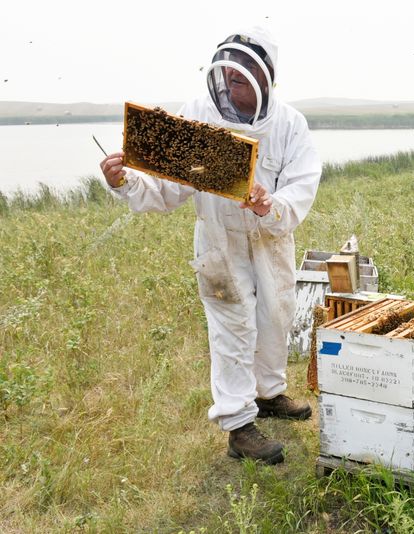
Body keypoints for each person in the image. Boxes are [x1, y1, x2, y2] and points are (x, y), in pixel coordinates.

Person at [99, 27, 321, 465]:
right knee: (232, 328)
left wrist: (268, 204)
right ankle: (238, 425)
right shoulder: (199, 113)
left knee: (276, 315)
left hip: (270, 239)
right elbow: (165, 190)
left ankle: (269, 394)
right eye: (227, 78)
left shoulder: (290, 124)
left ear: (265, 78)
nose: (231, 87)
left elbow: (302, 187)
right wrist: (123, 181)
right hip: (218, 241)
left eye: (240, 80)